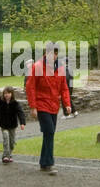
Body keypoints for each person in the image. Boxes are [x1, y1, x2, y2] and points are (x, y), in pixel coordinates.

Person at [25, 41, 71, 174]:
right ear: (46, 53)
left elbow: (64, 88)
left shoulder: (60, 68)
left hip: (54, 106)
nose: (54, 56)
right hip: (41, 105)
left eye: (56, 53)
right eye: (51, 53)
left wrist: (67, 104)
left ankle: (43, 163)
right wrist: (33, 106)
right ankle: (49, 163)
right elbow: (30, 87)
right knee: (49, 131)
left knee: (48, 134)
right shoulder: (37, 66)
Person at [0, 86, 26, 162]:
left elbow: (20, 113)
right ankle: (5, 156)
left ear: (12, 94)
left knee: (12, 142)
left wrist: (22, 123)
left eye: (8, 93)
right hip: (3, 125)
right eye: (5, 93)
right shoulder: (0, 103)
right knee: (6, 137)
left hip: (12, 125)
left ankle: (9, 155)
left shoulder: (15, 103)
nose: (6, 95)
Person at [53, 47, 78, 116]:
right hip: (70, 85)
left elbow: (65, 79)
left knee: (65, 98)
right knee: (68, 97)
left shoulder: (64, 69)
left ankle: (67, 114)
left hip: (66, 85)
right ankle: (74, 111)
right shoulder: (69, 68)